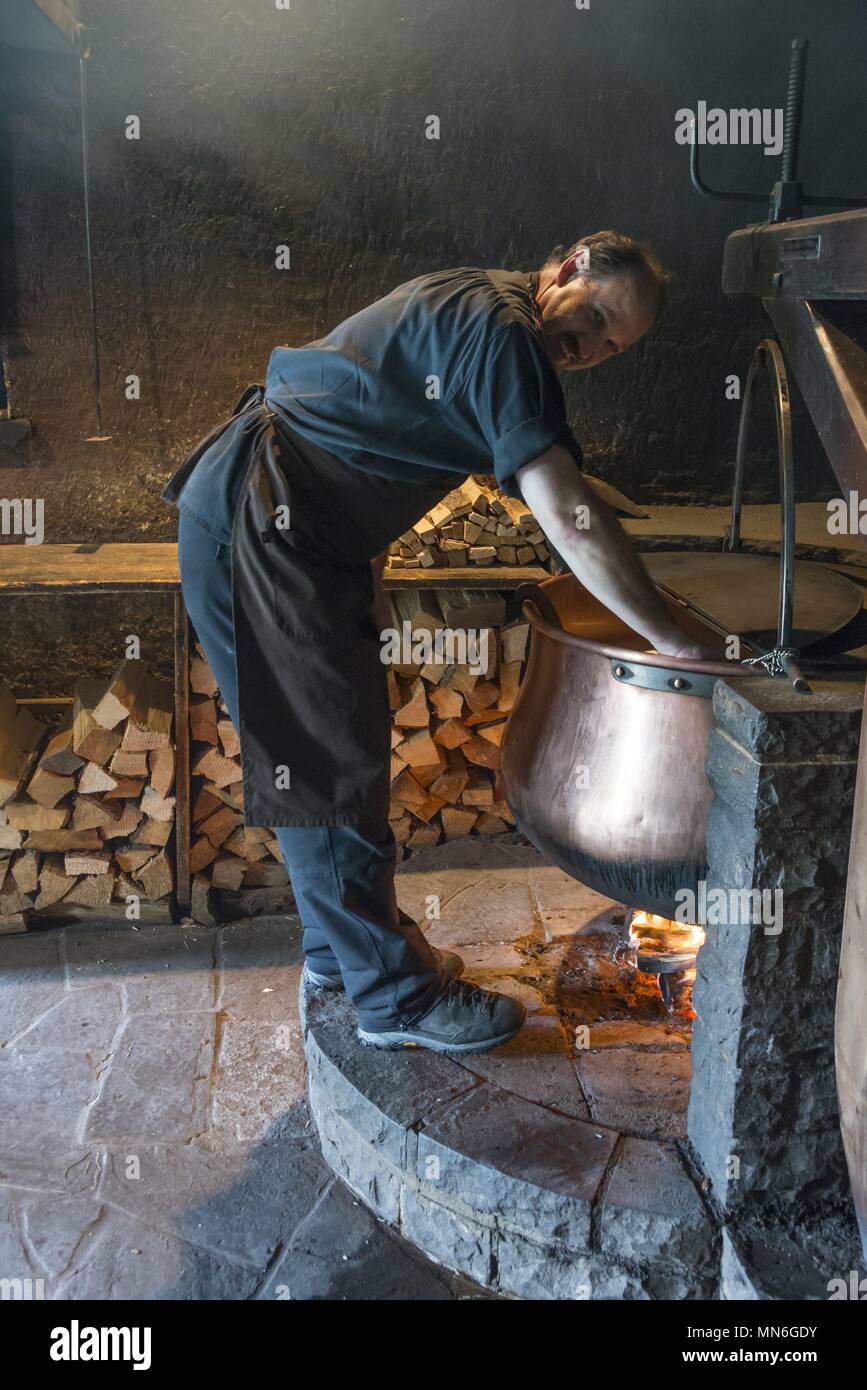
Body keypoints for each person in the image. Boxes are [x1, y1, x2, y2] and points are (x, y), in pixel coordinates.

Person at [163, 229, 710, 1055]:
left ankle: (339, 957)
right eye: (594, 315)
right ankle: (395, 1001)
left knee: (330, 750)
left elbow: (365, 420)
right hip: (268, 524)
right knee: (325, 759)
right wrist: (671, 638)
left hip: (288, 523)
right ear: (566, 265)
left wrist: (366, 574)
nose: (591, 346)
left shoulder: (473, 297)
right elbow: (568, 514)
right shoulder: (506, 338)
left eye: (612, 343)